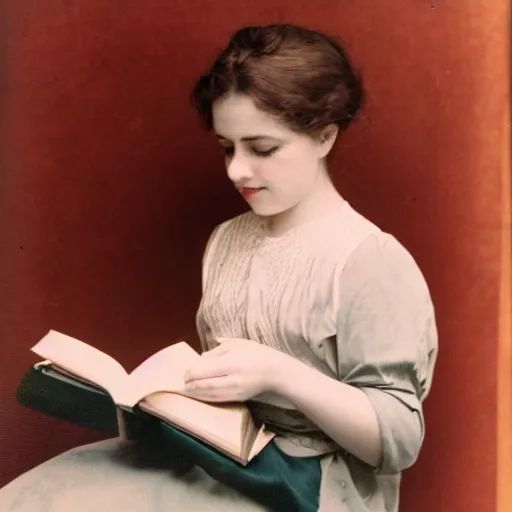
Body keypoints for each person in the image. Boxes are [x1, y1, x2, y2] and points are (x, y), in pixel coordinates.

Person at [0, 24, 438, 512]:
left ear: (324, 135)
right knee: (42, 496)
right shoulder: (227, 240)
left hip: (310, 487)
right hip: (225, 460)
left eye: (262, 149)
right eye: (227, 148)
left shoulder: (371, 260)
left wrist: (280, 375)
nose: (236, 170)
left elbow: (400, 439)